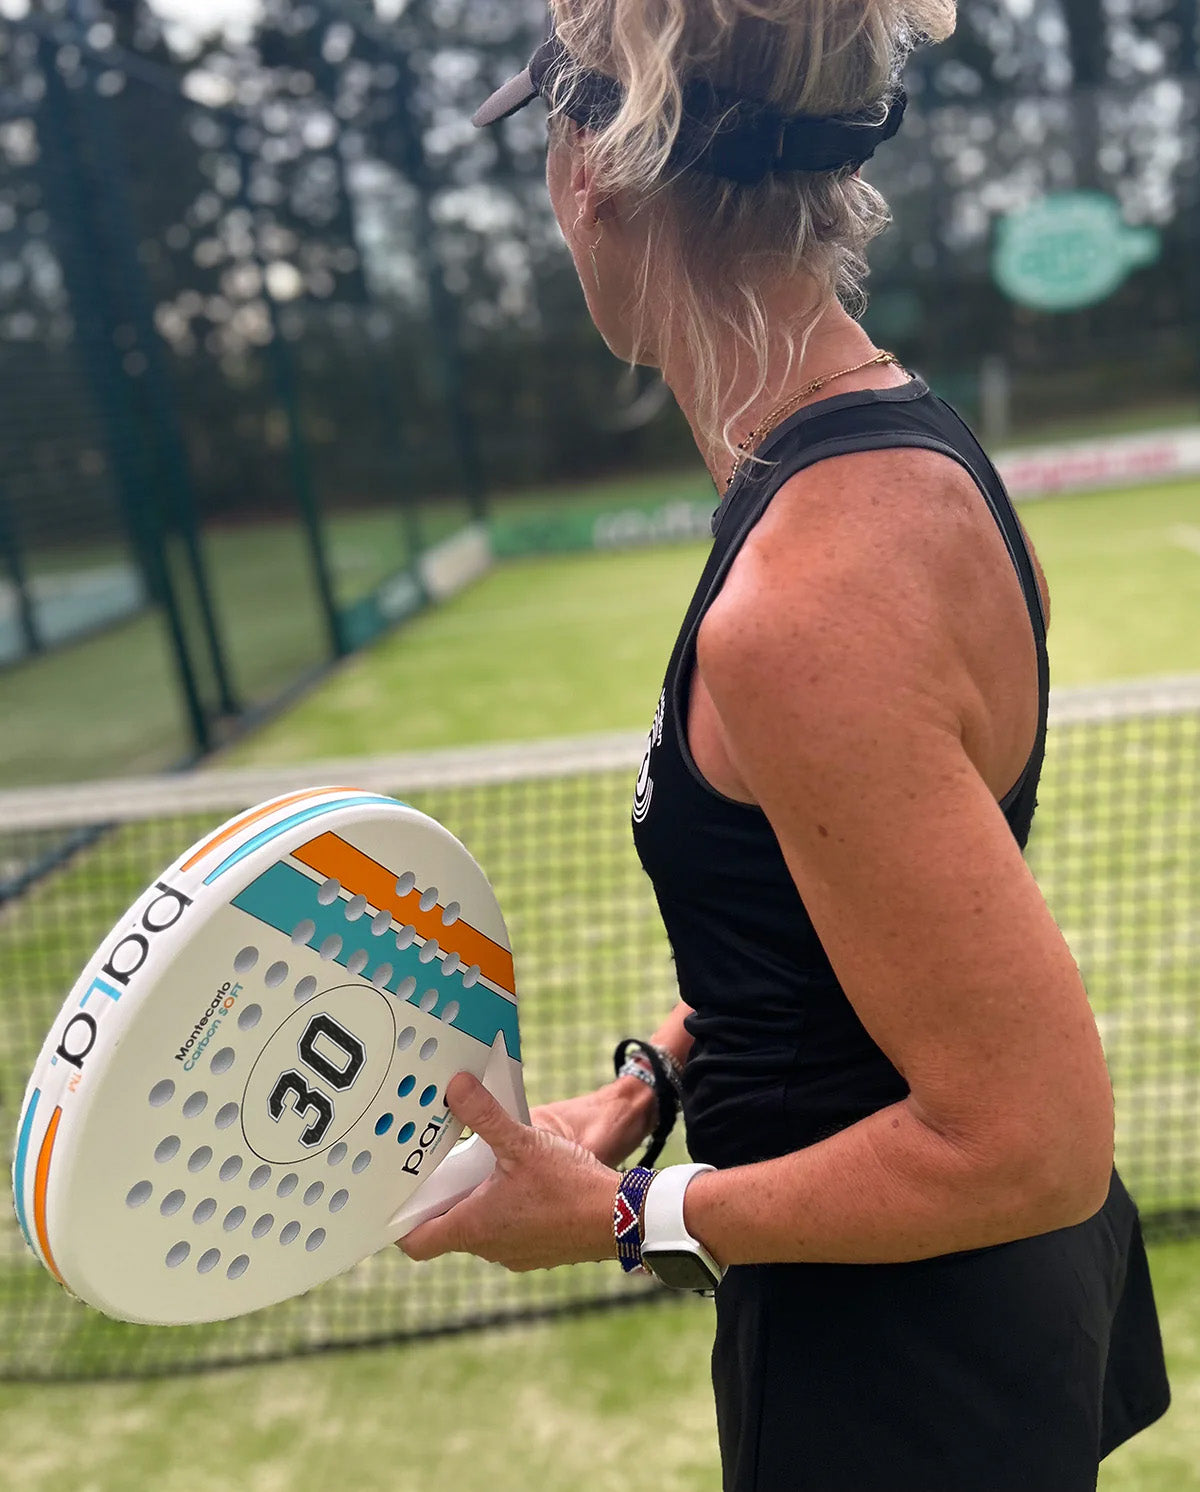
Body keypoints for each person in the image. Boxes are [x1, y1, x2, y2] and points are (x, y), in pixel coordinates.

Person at [400, 4, 1171, 1487]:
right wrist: (653, 1081)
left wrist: (627, 1217)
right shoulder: (894, 459)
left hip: (905, 1369)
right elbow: (834, 930)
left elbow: (1032, 1142)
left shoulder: (805, 600)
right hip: (946, 1317)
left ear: (589, 174)